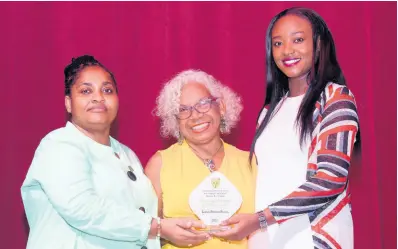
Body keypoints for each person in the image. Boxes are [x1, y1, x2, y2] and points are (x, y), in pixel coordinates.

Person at [21, 55, 210, 249]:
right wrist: (158, 227)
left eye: (107, 90)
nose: (98, 97)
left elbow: (142, 218)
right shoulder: (58, 145)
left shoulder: (127, 155)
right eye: (86, 91)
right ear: (68, 103)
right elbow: (83, 209)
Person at [212, 7, 360, 249]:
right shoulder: (269, 111)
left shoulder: (336, 99)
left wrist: (260, 219)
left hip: (312, 237)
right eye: (278, 43)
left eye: (298, 40)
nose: (287, 50)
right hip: (266, 239)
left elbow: (330, 179)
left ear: (319, 44)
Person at [145, 69, 257, 249]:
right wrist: (164, 232)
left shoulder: (250, 163)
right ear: (176, 120)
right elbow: (143, 229)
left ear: (221, 107)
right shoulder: (160, 164)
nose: (195, 115)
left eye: (203, 104)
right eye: (184, 110)